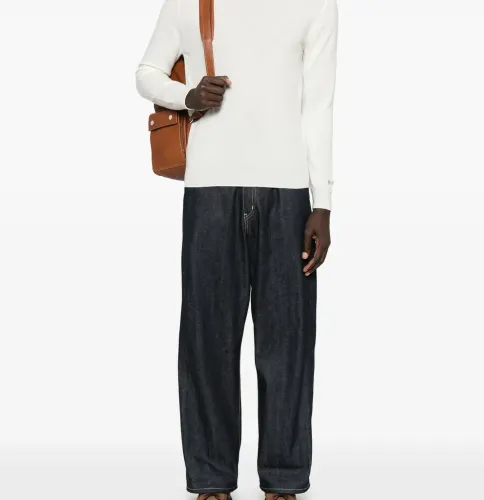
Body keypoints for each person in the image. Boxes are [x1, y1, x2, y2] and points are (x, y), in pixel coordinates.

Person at [136, 0, 338, 498]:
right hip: (209, 188)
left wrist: (323, 203)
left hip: (288, 191)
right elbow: (146, 73)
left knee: (288, 346)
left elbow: (319, 105)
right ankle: (212, 481)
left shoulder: (315, 4)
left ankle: (283, 482)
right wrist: (187, 95)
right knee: (207, 343)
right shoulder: (188, 1)